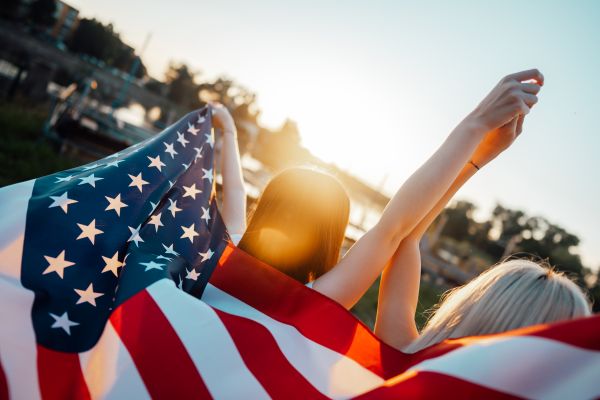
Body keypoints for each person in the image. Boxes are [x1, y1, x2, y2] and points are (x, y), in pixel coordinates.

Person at [210, 69, 544, 310]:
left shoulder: (221, 254)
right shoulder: (312, 301)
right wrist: (477, 135)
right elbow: (393, 229)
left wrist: (227, 130)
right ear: (330, 236)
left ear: (267, 206)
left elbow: (236, 193)